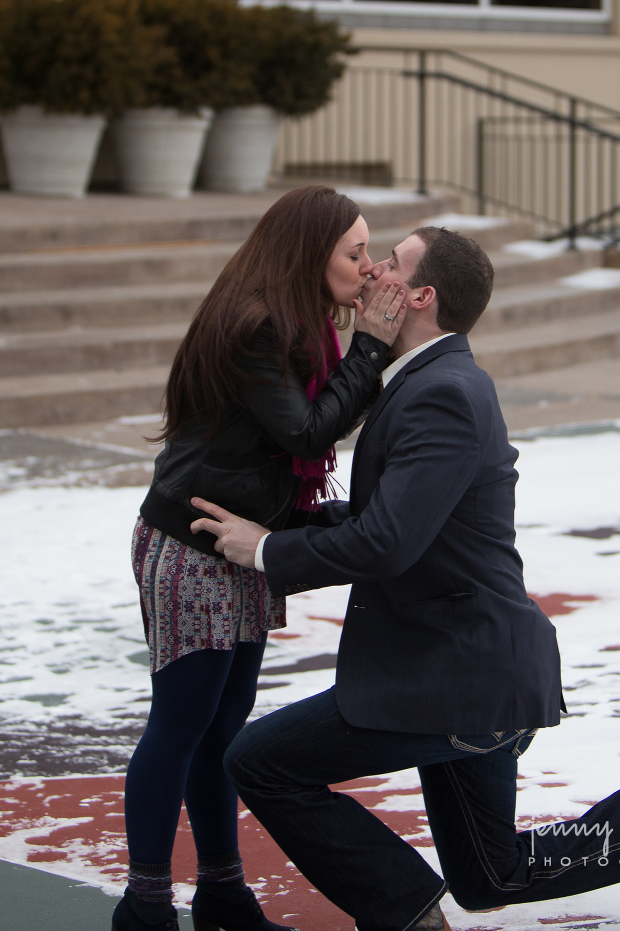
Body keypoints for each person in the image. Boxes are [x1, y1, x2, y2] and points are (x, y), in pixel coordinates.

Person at [190, 227, 620, 931]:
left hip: (457, 677)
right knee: (493, 875)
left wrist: (270, 552)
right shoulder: (426, 383)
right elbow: (393, 518)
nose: (371, 271)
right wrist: (280, 519)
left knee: (262, 762)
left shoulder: (445, 393)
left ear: (421, 296)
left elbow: (388, 540)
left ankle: (407, 915)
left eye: (390, 263)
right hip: (468, 666)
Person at [113, 185, 409, 931]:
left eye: (369, 250)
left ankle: (222, 893)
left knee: (223, 729)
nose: (368, 267)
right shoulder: (256, 324)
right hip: (193, 544)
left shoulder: (298, 320)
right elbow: (308, 433)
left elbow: (310, 426)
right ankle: (145, 904)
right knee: (181, 726)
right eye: (354, 252)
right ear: (308, 254)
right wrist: (372, 345)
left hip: (239, 545)